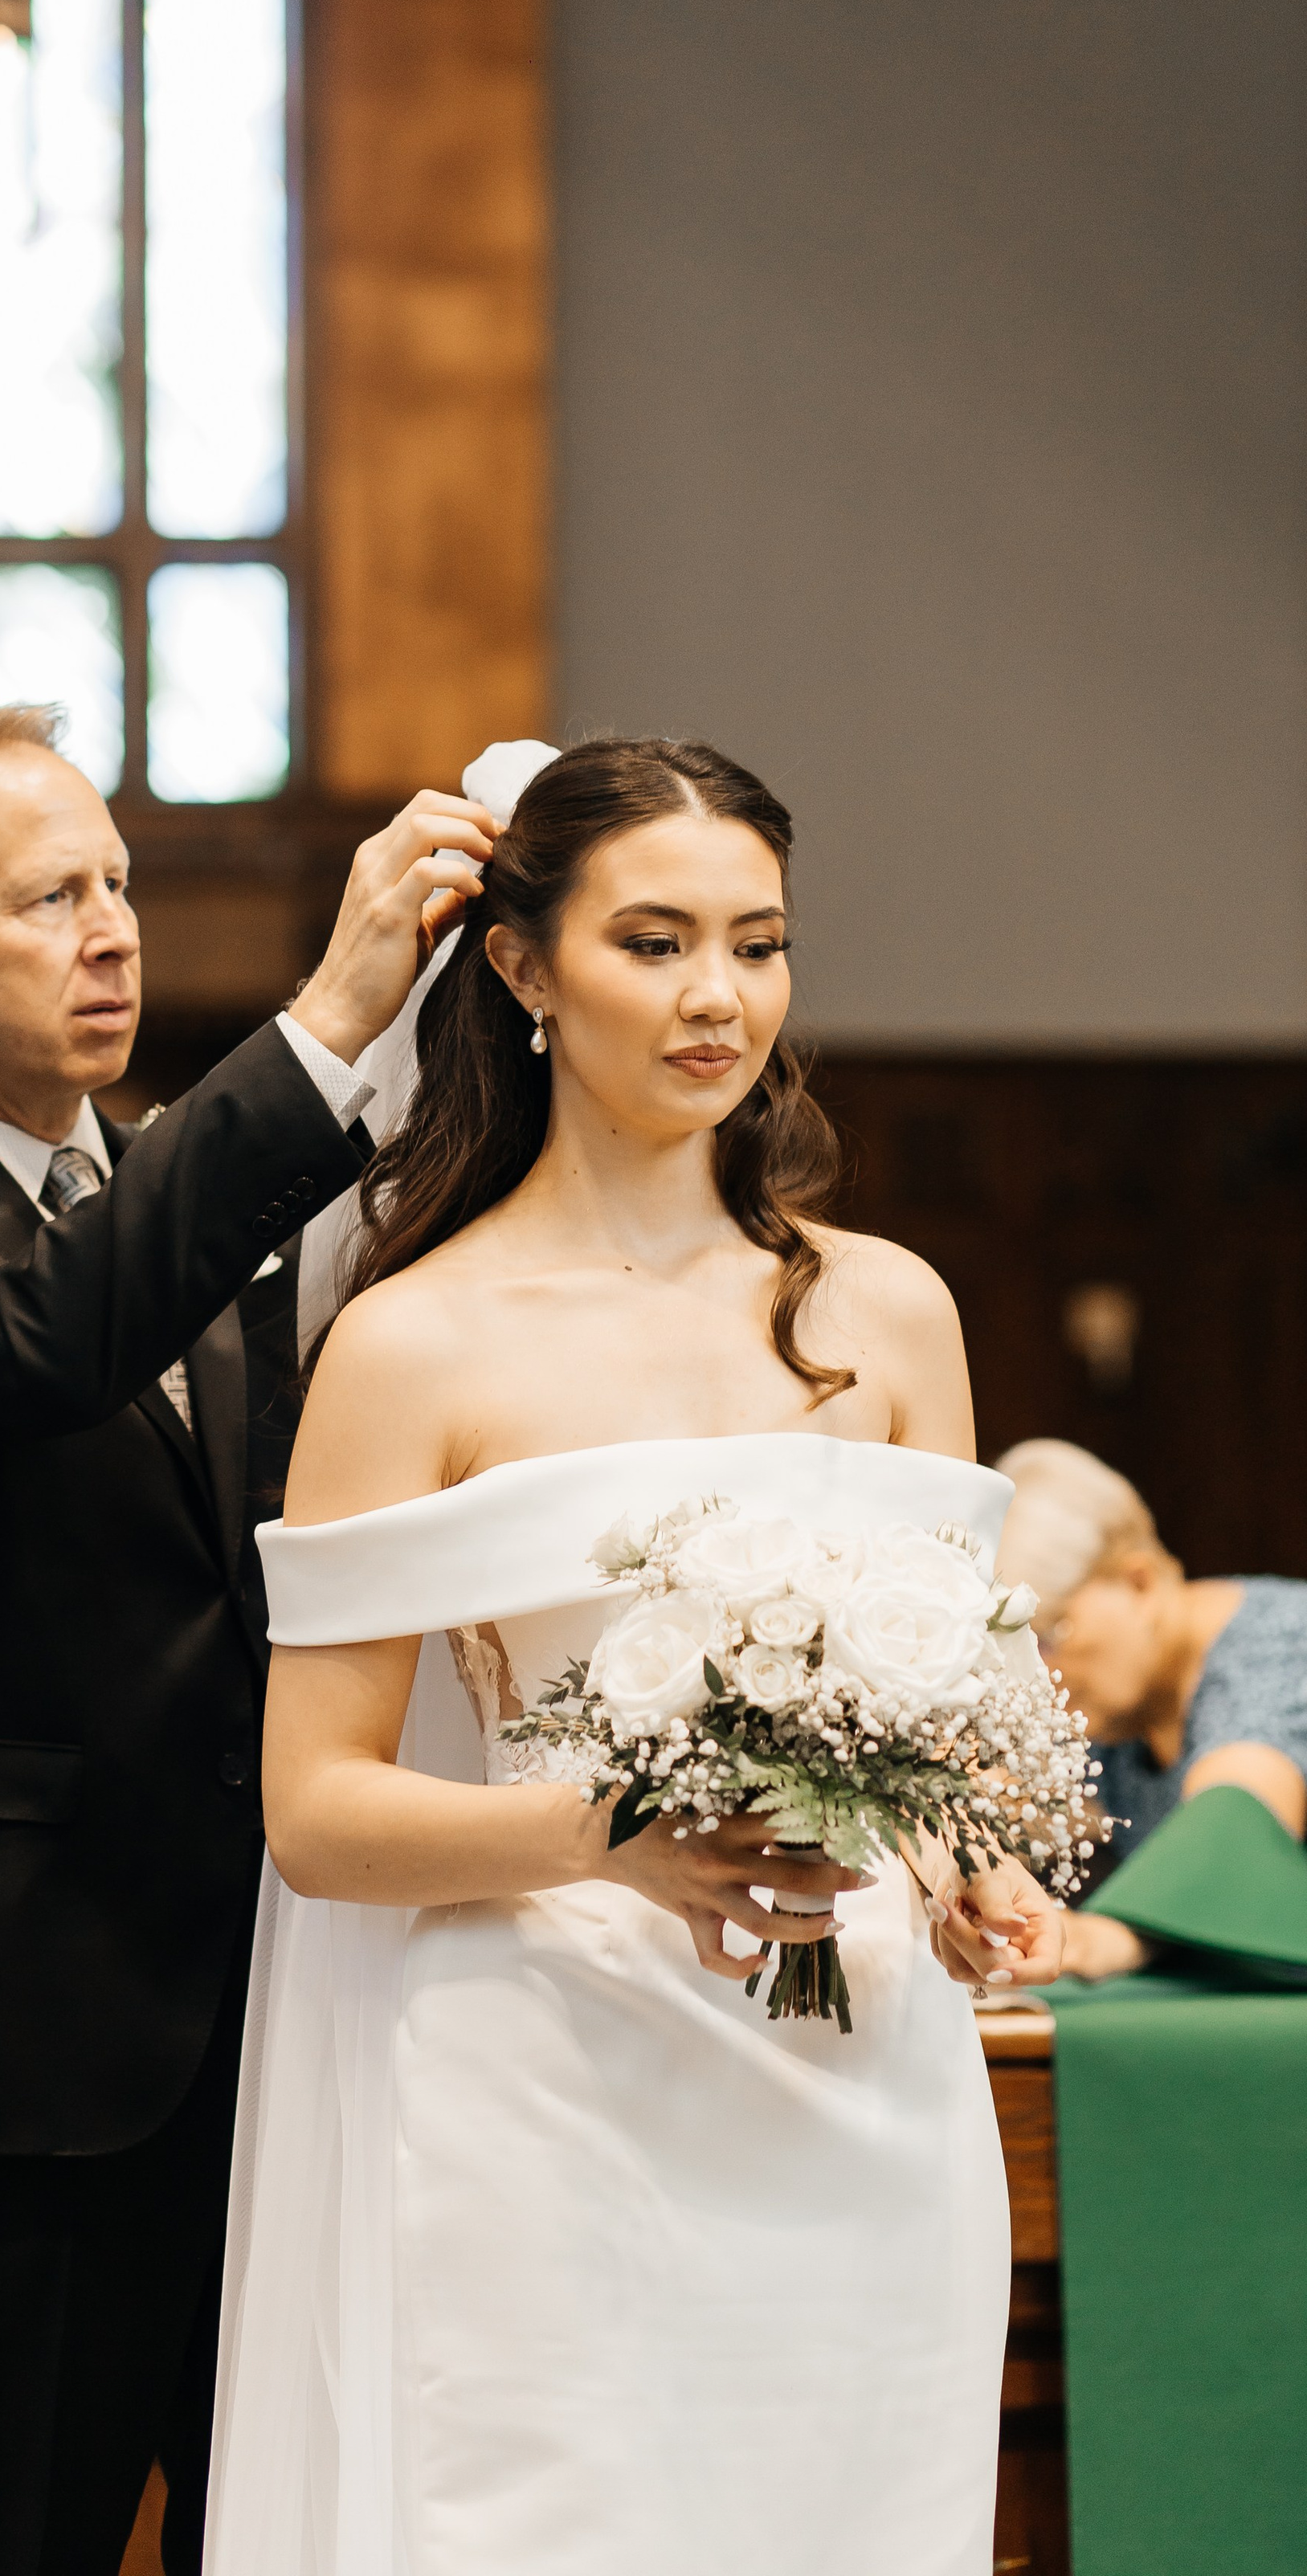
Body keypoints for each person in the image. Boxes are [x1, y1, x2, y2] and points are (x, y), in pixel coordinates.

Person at [206, 734, 1064, 2576]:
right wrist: (606, 1829)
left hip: (859, 2091)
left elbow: (953, 1699)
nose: (713, 996)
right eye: (653, 941)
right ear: (520, 968)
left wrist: (971, 1857)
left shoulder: (888, 1305)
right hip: (541, 2087)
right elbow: (315, 1812)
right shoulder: (412, 1344)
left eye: (753, 944)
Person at [0, 703, 498, 2576]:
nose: (114, 929)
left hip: (285, 2030)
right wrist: (325, 1024)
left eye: (119, 881)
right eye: (51, 896)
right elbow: (41, 1340)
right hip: (10, 2067)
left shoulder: (190, 1210)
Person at [995, 1438, 1307, 1980]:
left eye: (1046, 1638)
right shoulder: (1118, 1711)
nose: (1036, 1677)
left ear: (1138, 1583)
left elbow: (1237, 1823)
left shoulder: (1280, 1644)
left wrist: (1097, 1940)